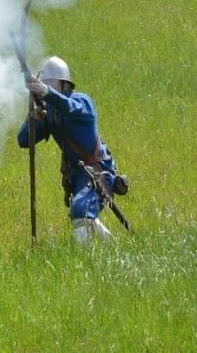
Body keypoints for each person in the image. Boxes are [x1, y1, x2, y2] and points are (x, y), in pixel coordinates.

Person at [17, 56, 126, 242]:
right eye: (45, 84)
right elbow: (23, 140)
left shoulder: (83, 102)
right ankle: (112, 245)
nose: (47, 87)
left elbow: (69, 107)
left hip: (98, 172)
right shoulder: (50, 113)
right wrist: (34, 118)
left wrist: (46, 92)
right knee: (81, 211)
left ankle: (85, 259)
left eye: (51, 83)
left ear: (64, 84)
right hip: (76, 176)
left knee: (80, 209)